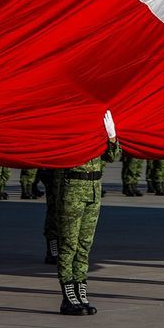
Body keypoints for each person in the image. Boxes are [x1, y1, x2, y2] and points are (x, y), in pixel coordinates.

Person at [56, 111, 121, 316]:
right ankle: (68, 294)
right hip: (73, 188)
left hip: (93, 190)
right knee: (69, 245)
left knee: (84, 245)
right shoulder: (71, 126)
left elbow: (112, 156)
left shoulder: (99, 128)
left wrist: (111, 136)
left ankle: (80, 288)